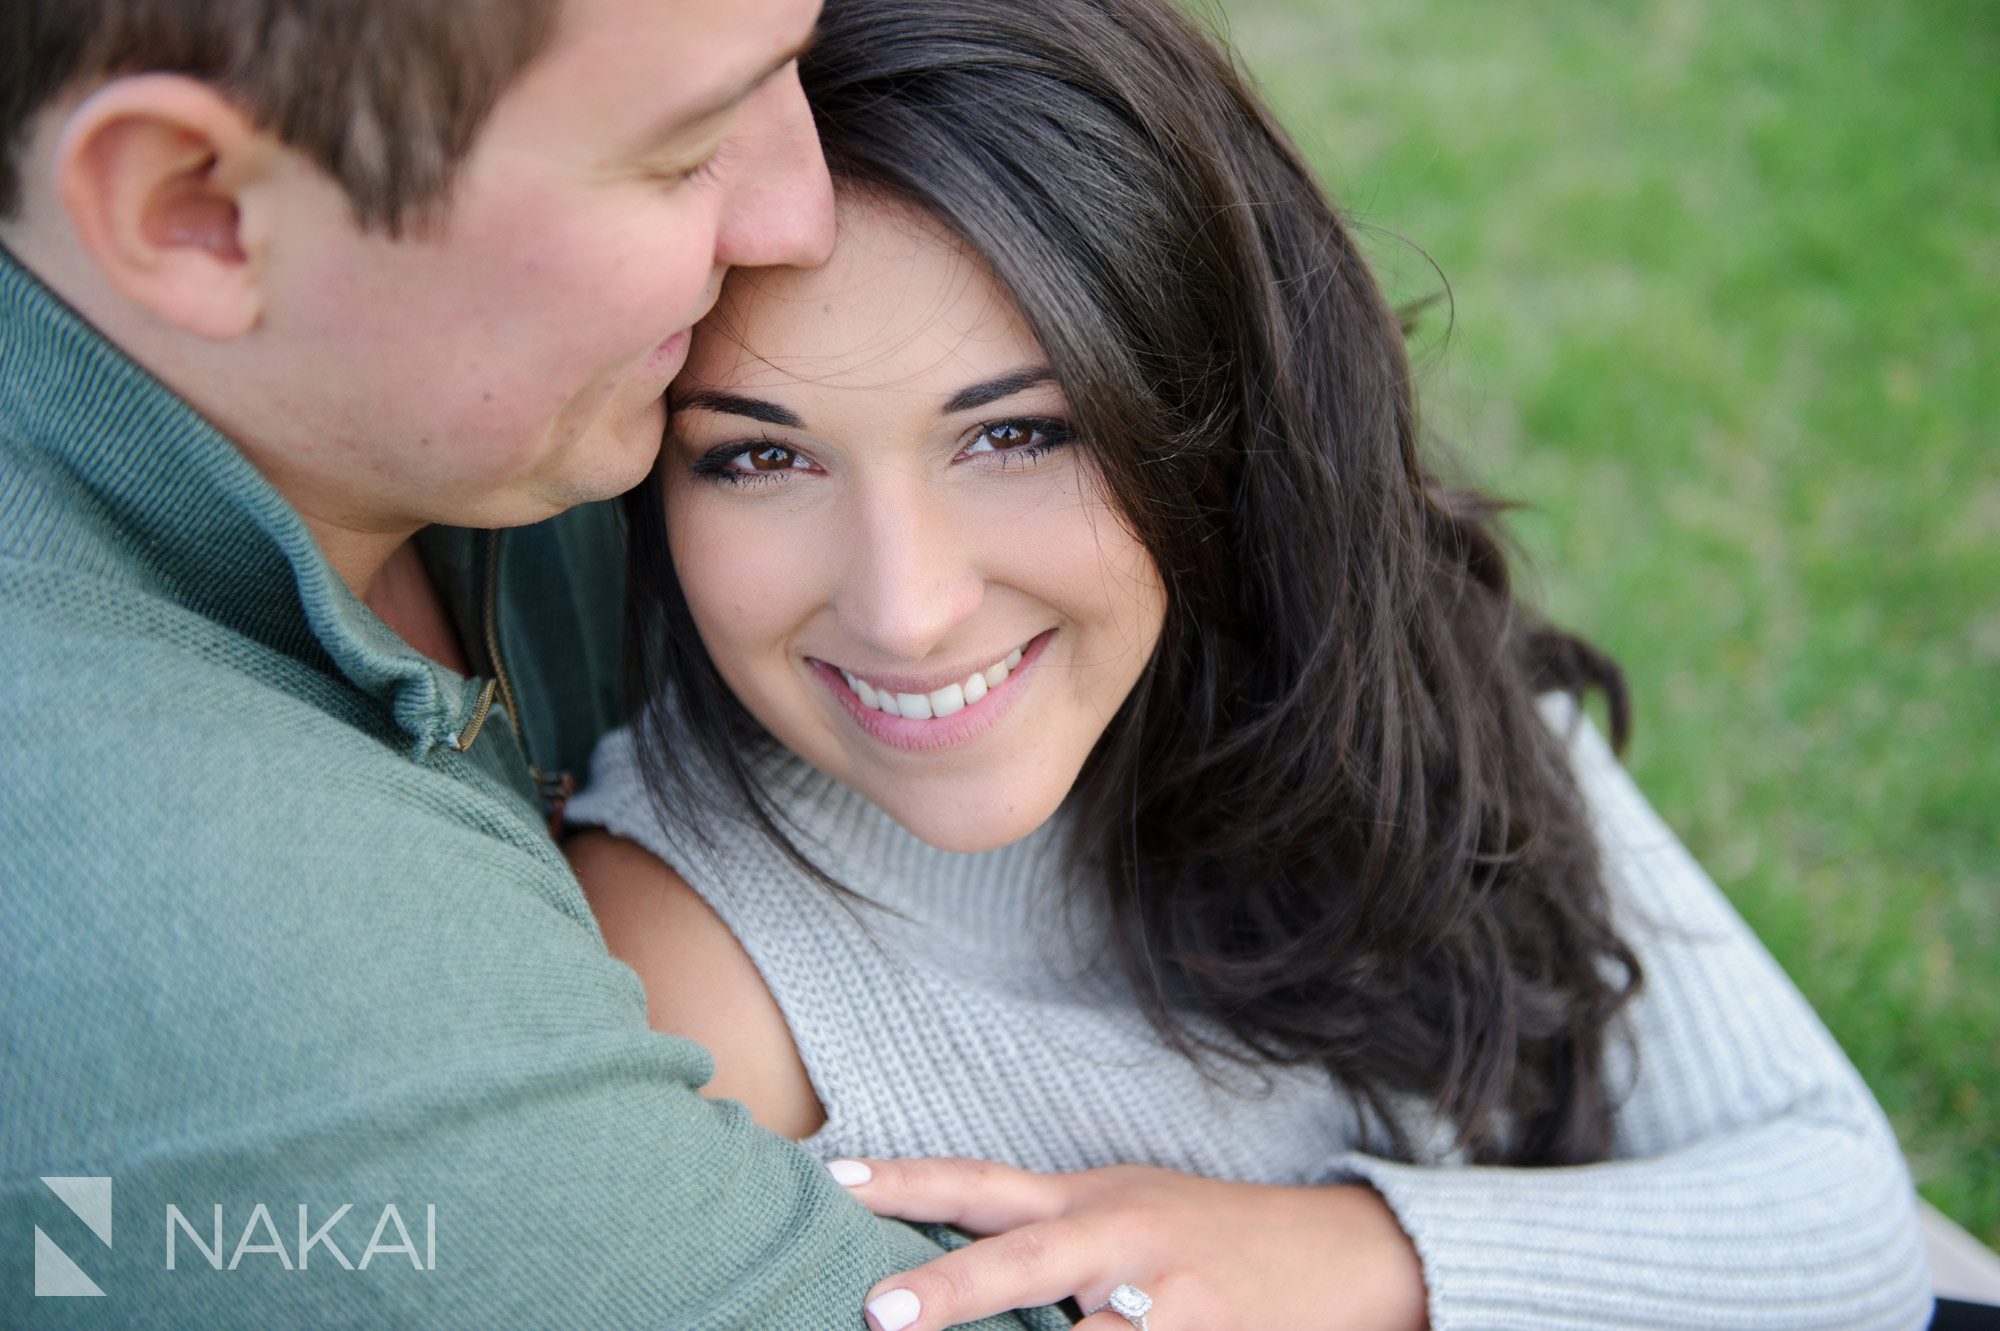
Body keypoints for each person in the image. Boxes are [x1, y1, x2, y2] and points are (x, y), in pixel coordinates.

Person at [565, 0, 1935, 1327]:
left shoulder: (1360, 653)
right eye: (760, 456)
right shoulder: (689, 987)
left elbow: (1844, 1227)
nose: (909, 608)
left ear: (1206, 409)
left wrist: (1354, 1258)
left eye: (1020, 433)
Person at [0, 1, 1070, 1326]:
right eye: (685, 151)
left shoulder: (472, 390)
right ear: (198, 209)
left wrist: (1378, 1232)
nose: (800, 211)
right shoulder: (183, 930)